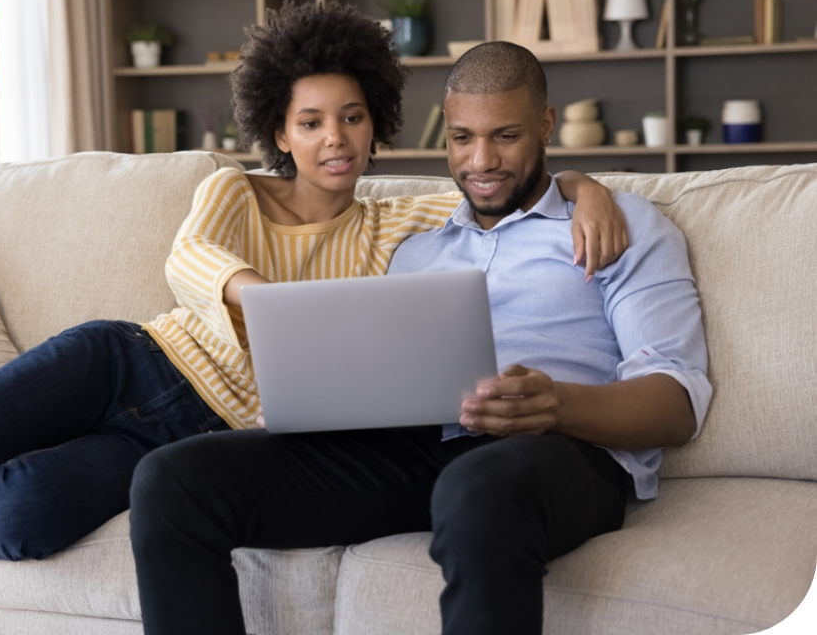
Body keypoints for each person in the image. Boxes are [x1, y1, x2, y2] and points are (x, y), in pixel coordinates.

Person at [0, 0, 622, 562]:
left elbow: (497, 184)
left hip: (193, 443)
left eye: (353, 117)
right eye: (311, 121)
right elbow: (191, 257)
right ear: (279, 132)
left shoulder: (399, 224)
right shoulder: (234, 191)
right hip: (131, 365)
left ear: (377, 125)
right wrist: (260, 296)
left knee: (19, 521)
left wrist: (586, 185)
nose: (335, 139)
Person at [127, 40, 712, 635]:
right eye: (462, 138)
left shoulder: (623, 228)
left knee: (475, 488)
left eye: (505, 136)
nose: (481, 160)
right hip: (420, 447)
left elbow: (676, 402)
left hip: (563, 455)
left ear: (545, 124)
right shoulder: (417, 245)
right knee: (172, 479)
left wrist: (557, 404)